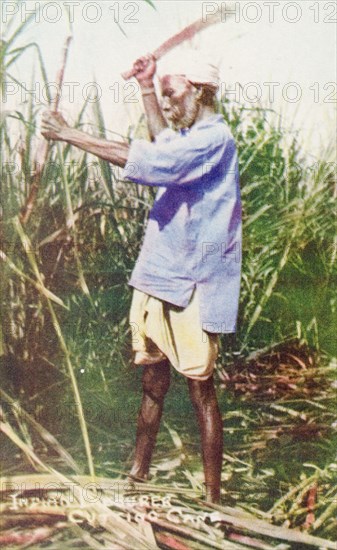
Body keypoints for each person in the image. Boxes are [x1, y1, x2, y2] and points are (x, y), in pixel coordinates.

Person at [41, 51, 242, 503]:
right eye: (165, 98)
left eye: (173, 95)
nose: (168, 107)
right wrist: (148, 85)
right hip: (157, 275)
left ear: (200, 91)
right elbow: (162, 144)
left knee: (200, 390)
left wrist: (67, 133)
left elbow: (152, 162)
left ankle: (213, 498)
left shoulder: (214, 138)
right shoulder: (188, 136)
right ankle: (138, 473)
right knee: (152, 383)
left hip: (191, 283)